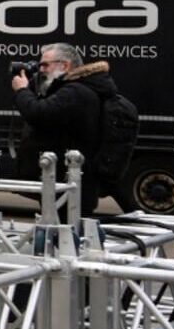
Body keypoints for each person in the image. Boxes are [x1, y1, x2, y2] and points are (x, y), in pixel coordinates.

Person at [12, 42, 116, 215]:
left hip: (68, 183)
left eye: (45, 64)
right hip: (65, 181)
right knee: (61, 235)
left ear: (65, 65)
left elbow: (39, 114)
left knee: (65, 235)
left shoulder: (74, 92)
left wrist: (21, 91)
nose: (41, 70)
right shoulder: (79, 89)